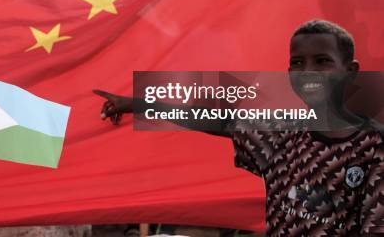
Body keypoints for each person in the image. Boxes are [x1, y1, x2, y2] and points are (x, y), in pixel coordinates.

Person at [97, 20, 384, 235]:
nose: (308, 71)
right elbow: (213, 121)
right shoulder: (280, 133)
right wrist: (136, 103)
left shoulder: (374, 147)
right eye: (297, 63)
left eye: (322, 61)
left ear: (351, 72)